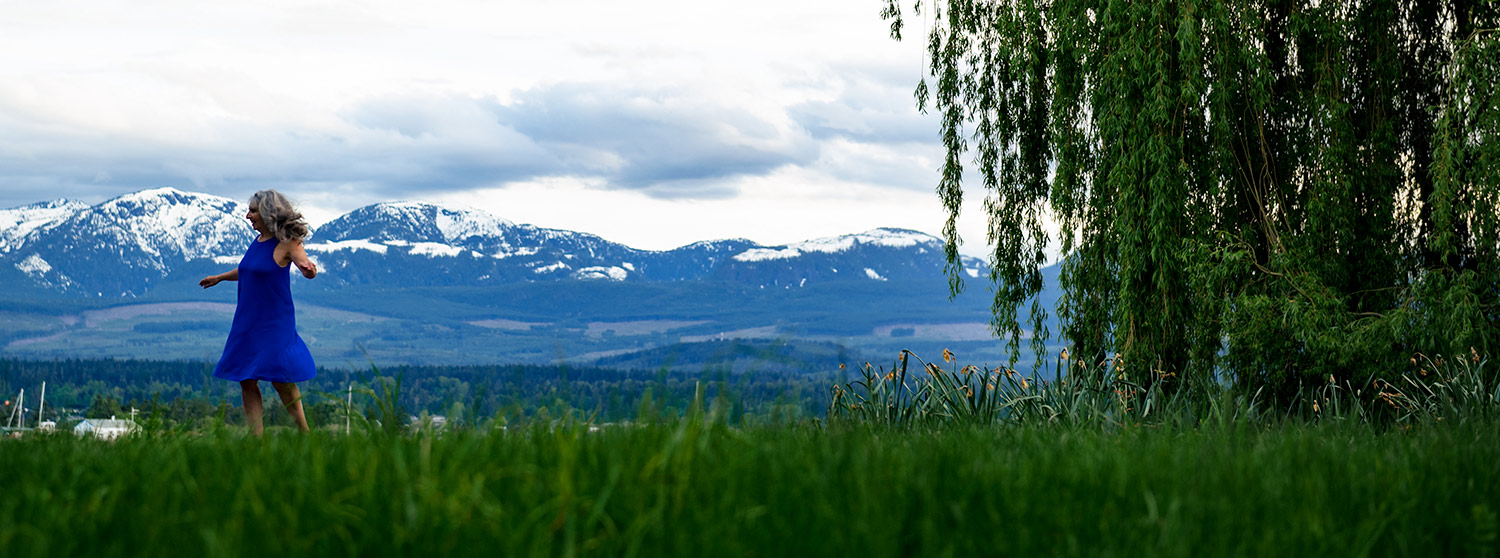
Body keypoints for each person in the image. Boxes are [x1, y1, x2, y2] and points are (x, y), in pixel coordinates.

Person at [200, 190, 319, 435]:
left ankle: (306, 434)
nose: (248, 216)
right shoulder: (258, 242)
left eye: (253, 211)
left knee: (281, 378)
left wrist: (309, 270)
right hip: (248, 319)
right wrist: (220, 278)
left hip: (275, 321)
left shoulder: (288, 243)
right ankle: (257, 440)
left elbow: (304, 264)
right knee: (246, 377)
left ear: (268, 212)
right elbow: (249, 270)